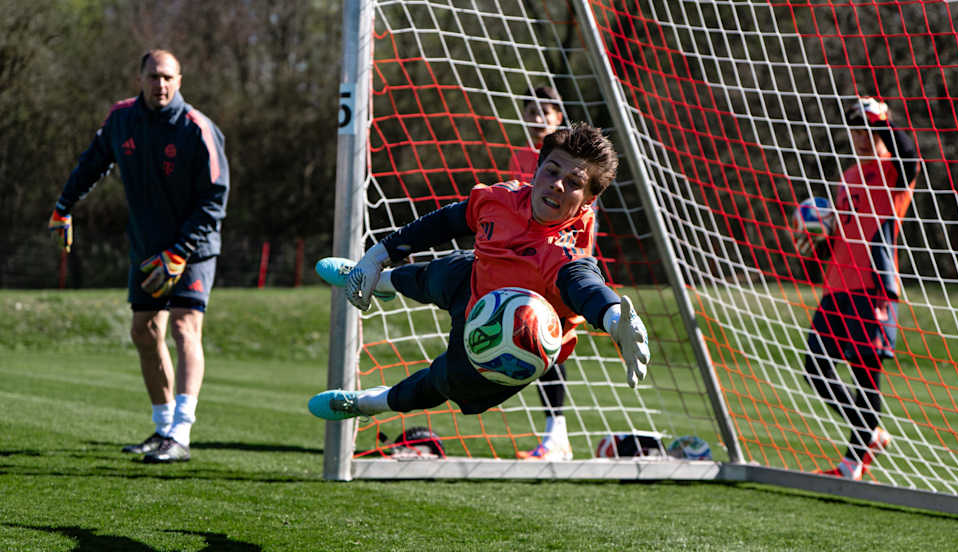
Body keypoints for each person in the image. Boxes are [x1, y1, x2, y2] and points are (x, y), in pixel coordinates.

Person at [308, 122, 650, 435]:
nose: (557, 184)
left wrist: (615, 318)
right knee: (444, 272)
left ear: (589, 200)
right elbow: (445, 222)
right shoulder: (501, 199)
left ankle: (366, 403)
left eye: (574, 183)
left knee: (441, 381)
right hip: (475, 285)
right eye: (551, 170)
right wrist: (377, 255)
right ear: (537, 168)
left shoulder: (564, 253)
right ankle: (371, 279)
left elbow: (586, 286)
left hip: (513, 344)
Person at [47, 49, 230, 463]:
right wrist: (63, 206)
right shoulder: (121, 119)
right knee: (144, 332)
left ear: (179, 80)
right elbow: (91, 163)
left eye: (167, 77)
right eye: (152, 76)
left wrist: (181, 253)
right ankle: (163, 427)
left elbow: (215, 199)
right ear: (139, 79)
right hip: (147, 245)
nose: (160, 84)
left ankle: (181, 432)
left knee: (185, 328)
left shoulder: (197, 128)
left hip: (194, 246)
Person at [794, 96, 919, 480]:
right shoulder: (847, 177)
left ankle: (852, 462)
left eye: (868, 130)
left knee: (865, 376)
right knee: (816, 367)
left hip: (872, 289)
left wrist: (878, 119)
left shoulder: (895, 171)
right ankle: (871, 433)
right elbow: (843, 229)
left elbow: (909, 154)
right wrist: (818, 232)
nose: (862, 137)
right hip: (836, 287)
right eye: (857, 130)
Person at [506, 85, 573, 460]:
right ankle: (554, 435)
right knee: (534, 343)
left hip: (559, 264)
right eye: (529, 111)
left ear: (557, 117)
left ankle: (556, 436)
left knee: (552, 346)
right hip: (526, 263)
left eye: (542, 112)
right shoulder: (520, 156)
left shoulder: (570, 159)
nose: (535, 119)